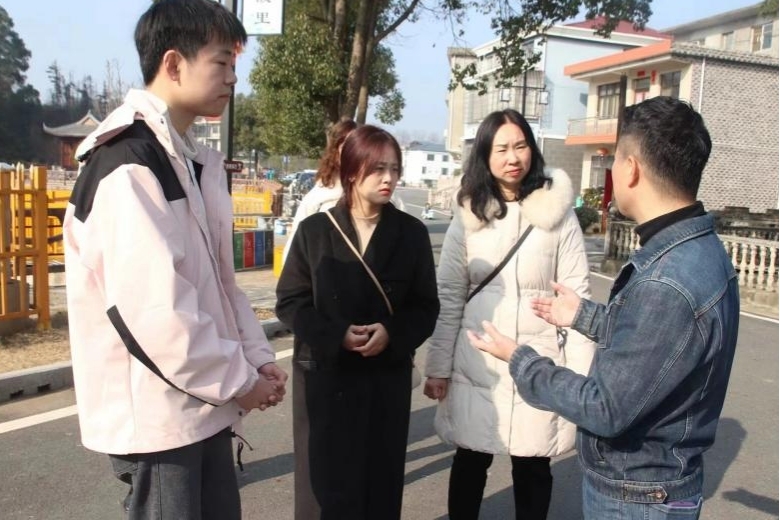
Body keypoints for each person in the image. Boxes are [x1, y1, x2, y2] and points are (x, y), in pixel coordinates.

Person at [62, 1, 288, 518]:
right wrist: (241, 381)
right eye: (221, 62)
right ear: (173, 63)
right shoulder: (129, 163)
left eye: (234, 64)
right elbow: (156, 314)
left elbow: (218, 285)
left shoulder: (182, 159)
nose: (232, 78)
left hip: (200, 407)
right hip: (161, 419)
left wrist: (255, 359)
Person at [470, 97, 739, 520]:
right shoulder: (698, 251)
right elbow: (658, 346)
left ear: (631, 169)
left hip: (638, 496)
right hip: (656, 484)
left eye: (614, 160)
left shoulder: (667, 280)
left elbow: (605, 408)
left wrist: (520, 359)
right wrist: (585, 316)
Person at [424, 108, 596, 520]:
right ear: (485, 156)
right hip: (478, 357)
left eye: (521, 146)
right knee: (471, 459)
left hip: (537, 357)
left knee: (534, 463)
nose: (513, 157)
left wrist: (580, 378)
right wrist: (438, 367)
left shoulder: (557, 211)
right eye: (501, 149)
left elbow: (577, 296)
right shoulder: (469, 213)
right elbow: (450, 296)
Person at [276, 124, 439, 520]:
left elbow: (426, 306)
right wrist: (336, 336)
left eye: (394, 169)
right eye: (378, 168)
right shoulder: (315, 231)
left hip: (385, 380)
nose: (388, 178)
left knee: (378, 485)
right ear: (351, 171)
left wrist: (392, 334)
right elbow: (291, 301)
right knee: (324, 487)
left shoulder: (412, 233)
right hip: (326, 378)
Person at [282, 119, 406, 262]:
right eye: (347, 145)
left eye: (395, 169)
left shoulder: (395, 206)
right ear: (336, 151)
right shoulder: (319, 197)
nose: (388, 178)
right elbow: (296, 254)